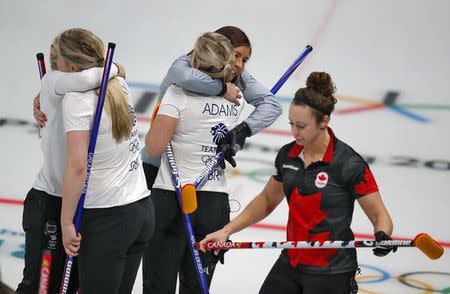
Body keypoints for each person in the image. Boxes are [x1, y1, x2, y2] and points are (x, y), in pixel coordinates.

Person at [200, 72, 397, 294]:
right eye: (292, 124)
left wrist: (382, 236)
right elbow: (266, 200)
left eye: (301, 126)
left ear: (324, 121)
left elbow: (380, 216)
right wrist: (227, 231)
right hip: (291, 261)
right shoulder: (288, 155)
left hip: (332, 272)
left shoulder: (348, 163)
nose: (294, 132)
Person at [17, 30, 122, 294]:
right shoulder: (54, 80)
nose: (55, 65)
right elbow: (90, 75)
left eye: (59, 60)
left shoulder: (86, 87)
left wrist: (115, 69)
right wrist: (117, 67)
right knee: (39, 287)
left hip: (80, 202)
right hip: (49, 201)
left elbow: (91, 77)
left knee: (71, 285)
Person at [143, 32, 244, 293]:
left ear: (196, 64)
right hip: (214, 204)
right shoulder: (235, 99)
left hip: (171, 199)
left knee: (158, 286)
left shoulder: (177, 94)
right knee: (196, 287)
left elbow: (154, 147)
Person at [56, 28, 154, 294]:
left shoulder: (76, 100)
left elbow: (77, 167)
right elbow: (118, 69)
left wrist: (66, 223)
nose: (55, 67)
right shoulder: (117, 84)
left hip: (108, 218)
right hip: (141, 212)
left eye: (58, 62)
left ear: (72, 66)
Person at [141, 25, 282, 190]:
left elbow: (271, 105)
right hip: (159, 169)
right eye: (236, 56)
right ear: (220, 50)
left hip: (205, 178)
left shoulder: (237, 75)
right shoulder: (185, 64)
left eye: (244, 60)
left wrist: (243, 130)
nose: (240, 65)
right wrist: (222, 89)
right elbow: (186, 78)